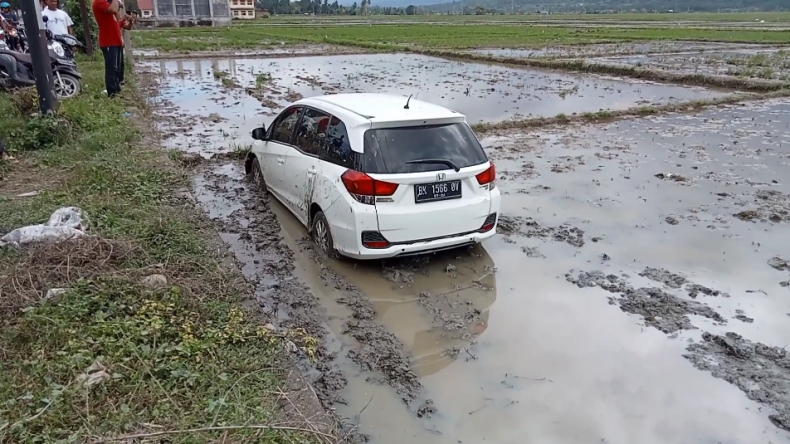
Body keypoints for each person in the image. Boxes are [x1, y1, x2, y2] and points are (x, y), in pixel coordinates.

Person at [92, 0, 127, 97]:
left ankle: (117, 89)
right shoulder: (99, 2)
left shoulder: (109, 5)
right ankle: (112, 93)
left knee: (118, 68)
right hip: (108, 41)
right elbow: (113, 9)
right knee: (112, 68)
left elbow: (117, 16)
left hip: (116, 41)